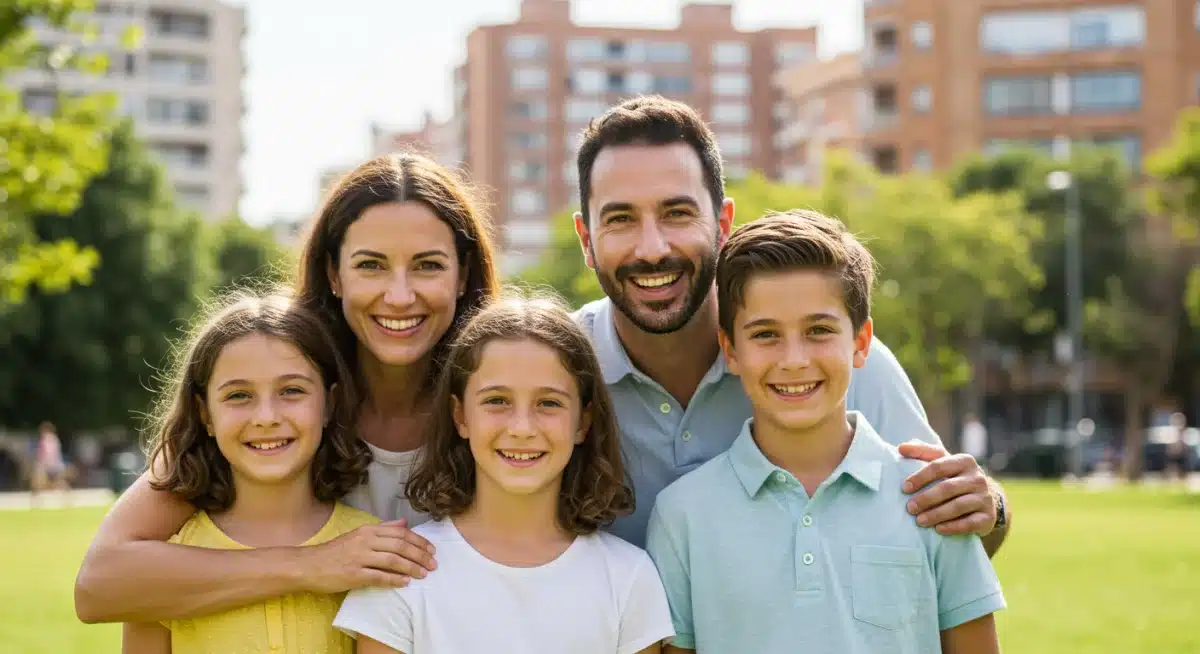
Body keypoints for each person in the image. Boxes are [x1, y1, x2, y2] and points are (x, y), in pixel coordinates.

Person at [569, 95, 1010, 552]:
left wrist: (989, 507)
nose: (652, 249)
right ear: (586, 239)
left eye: (677, 214)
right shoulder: (555, 371)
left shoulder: (832, 361)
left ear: (722, 224)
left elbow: (954, 530)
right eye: (620, 219)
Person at [74, 152, 500, 624]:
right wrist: (311, 565)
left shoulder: (509, 407)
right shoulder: (273, 399)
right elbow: (99, 584)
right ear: (334, 275)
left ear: (463, 274)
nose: (399, 296)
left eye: (427, 265)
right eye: (371, 265)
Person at [646, 212, 1005, 653]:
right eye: (765, 335)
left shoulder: (931, 498)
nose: (794, 360)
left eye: (818, 330)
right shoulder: (682, 516)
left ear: (861, 342)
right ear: (731, 350)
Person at [333, 293, 674, 653]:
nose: (522, 428)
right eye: (497, 401)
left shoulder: (629, 578)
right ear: (460, 415)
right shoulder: (401, 574)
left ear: (583, 422)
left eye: (549, 403)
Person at [121, 291, 378, 653]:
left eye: (292, 390)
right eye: (238, 395)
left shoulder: (372, 550)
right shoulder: (163, 569)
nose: (266, 417)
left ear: (329, 404)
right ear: (205, 414)